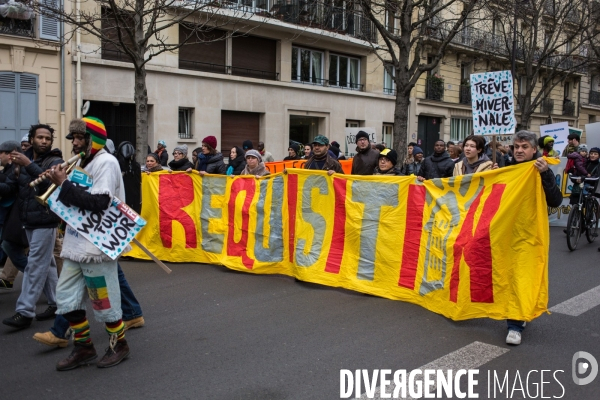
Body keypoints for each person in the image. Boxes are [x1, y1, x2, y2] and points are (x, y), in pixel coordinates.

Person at [47, 116, 131, 370]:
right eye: (73, 137)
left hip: (97, 246)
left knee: (103, 302)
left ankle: (120, 345)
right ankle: (84, 347)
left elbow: (98, 203)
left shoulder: (106, 162)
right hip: (76, 243)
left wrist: (63, 185)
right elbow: (74, 199)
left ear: (92, 139)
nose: (74, 142)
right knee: (65, 297)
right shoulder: (83, 162)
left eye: (79, 137)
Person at [0, 124, 64, 329]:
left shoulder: (56, 160)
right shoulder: (22, 159)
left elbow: (49, 183)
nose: (44, 141)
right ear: (32, 138)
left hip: (46, 220)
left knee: (36, 263)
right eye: (40, 138)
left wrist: (28, 163)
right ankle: (57, 303)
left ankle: (25, 311)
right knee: (49, 265)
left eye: (47, 138)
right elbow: (10, 187)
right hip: (27, 219)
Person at [504, 130, 562, 345]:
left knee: (522, 276)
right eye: (516, 147)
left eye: (524, 147)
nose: (519, 150)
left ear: (534, 149)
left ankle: (515, 325)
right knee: (505, 277)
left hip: (529, 234)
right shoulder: (504, 169)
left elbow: (555, 201)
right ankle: (517, 311)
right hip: (505, 233)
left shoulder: (542, 170)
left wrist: (546, 174)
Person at [0, 141, 22, 290]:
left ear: (8, 154)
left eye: (0, 153)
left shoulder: (15, 170)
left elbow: (8, 190)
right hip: (8, 218)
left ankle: (41, 278)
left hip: (13, 219)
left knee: (8, 246)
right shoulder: (7, 170)